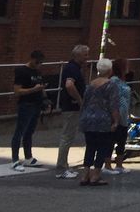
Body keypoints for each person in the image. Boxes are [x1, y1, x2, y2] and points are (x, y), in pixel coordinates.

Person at [77, 58, 120, 186]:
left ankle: (85, 175)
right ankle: (95, 175)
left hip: (88, 118)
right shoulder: (111, 85)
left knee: (90, 147)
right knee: (102, 147)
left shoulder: (91, 84)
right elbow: (113, 105)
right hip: (103, 119)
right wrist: (116, 121)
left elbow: (85, 103)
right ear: (110, 70)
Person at [55, 44, 89, 179]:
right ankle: (61, 168)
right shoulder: (72, 68)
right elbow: (69, 85)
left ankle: (64, 166)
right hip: (71, 107)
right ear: (78, 55)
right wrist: (80, 100)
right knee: (67, 137)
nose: (87, 57)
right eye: (85, 54)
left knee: (68, 136)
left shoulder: (73, 68)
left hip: (71, 106)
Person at [11, 50, 47, 170]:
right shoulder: (21, 71)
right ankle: (15, 160)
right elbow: (17, 91)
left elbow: (41, 86)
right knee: (20, 131)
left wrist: (45, 98)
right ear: (32, 59)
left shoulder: (37, 71)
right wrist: (33, 90)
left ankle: (28, 157)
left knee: (29, 132)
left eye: (41, 63)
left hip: (36, 103)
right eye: (37, 62)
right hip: (26, 104)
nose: (39, 64)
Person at [105, 60, 133, 174]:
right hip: (115, 113)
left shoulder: (122, 81)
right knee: (111, 140)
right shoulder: (114, 81)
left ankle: (119, 164)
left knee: (121, 140)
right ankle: (107, 165)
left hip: (124, 114)